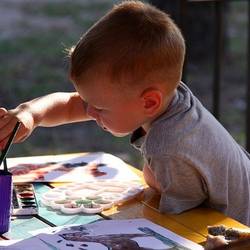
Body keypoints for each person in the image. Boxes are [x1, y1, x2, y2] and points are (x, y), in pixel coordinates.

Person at [0, 1, 249, 225]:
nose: (89, 112)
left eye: (99, 108)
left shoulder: (169, 146)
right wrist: (31, 114)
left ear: (149, 102)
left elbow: (184, 227)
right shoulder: (168, 99)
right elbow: (71, 104)